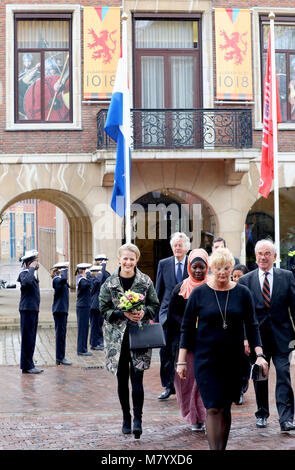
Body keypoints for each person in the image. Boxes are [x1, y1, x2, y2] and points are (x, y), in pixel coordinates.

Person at [177, 247, 267, 450]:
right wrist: (181, 361)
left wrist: (259, 354)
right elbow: (187, 328)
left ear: (232, 267)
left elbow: (252, 326)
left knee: (225, 408)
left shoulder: (243, 293)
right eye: (217, 268)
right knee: (213, 407)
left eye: (226, 268)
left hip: (234, 360)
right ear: (211, 269)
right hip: (206, 359)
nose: (222, 272)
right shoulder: (199, 293)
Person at [99, 243, 159, 439]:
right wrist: (121, 312)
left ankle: (138, 419)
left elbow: (154, 304)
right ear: (119, 259)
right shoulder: (110, 283)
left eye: (131, 259)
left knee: (138, 378)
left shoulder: (145, 281)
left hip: (138, 336)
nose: (128, 262)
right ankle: (126, 416)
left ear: (136, 260)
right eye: (125, 258)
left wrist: (144, 312)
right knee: (122, 379)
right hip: (117, 340)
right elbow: (103, 309)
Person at [239, 239, 295, 432]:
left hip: (283, 337)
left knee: (283, 375)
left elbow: (294, 309)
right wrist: (245, 338)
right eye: (259, 254)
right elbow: (243, 315)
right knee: (260, 377)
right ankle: (262, 413)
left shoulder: (287, 277)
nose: (263, 257)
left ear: (275, 257)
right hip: (258, 340)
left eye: (267, 253)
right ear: (255, 256)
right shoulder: (246, 280)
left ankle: (286, 418)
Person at [166, 248, 208, 431]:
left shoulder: (213, 286)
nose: (198, 271)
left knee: (204, 382)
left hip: (207, 342)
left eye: (202, 267)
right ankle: (193, 416)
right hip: (186, 344)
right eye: (195, 267)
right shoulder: (180, 289)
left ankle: (205, 414)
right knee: (188, 382)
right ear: (189, 267)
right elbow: (172, 315)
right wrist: (189, 322)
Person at [156, 232, 189, 400]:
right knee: (166, 352)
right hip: (167, 315)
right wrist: (155, 317)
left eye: (181, 245)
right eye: (175, 245)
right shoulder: (164, 263)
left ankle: (185, 386)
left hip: (187, 315)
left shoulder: (192, 263)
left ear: (186, 248)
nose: (178, 248)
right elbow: (158, 291)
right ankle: (168, 386)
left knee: (184, 352)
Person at [17, 250, 44, 374]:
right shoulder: (24, 273)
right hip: (27, 310)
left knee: (31, 337)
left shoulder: (31, 273)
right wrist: (32, 269)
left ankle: (29, 364)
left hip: (32, 309)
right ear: (30, 263)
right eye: (35, 261)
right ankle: (26, 366)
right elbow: (26, 282)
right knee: (27, 338)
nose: (38, 263)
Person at [232, 263, 250, 405]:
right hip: (230, 334)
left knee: (244, 364)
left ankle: (241, 390)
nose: (236, 279)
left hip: (245, 334)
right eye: (234, 276)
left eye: (240, 276)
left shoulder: (246, 292)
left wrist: (246, 338)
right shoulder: (228, 290)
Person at [51, 261, 72, 366]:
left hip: (63, 310)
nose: (66, 271)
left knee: (62, 334)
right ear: (59, 270)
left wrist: (63, 271)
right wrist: (63, 271)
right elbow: (63, 279)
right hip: (59, 311)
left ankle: (61, 357)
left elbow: (65, 281)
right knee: (60, 335)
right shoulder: (56, 280)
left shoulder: (61, 280)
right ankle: (59, 357)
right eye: (64, 269)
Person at [75, 262, 93, 356]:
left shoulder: (82, 279)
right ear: (83, 270)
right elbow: (89, 284)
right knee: (82, 329)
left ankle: (83, 348)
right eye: (87, 269)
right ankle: (81, 350)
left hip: (84, 306)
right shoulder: (82, 280)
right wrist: (89, 274)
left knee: (85, 328)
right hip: (82, 307)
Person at [89, 264, 105, 351]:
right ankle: (94, 344)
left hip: (96, 306)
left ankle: (95, 342)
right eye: (98, 272)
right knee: (94, 326)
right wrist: (99, 276)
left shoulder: (95, 280)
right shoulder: (92, 280)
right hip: (93, 306)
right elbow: (95, 285)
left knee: (97, 325)